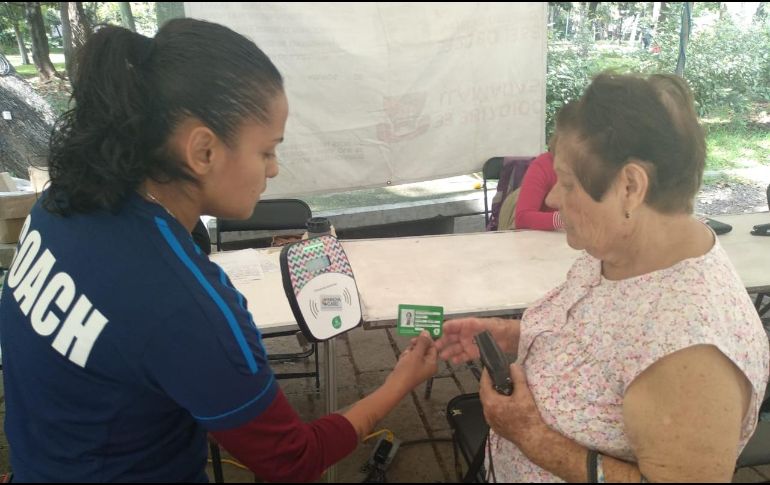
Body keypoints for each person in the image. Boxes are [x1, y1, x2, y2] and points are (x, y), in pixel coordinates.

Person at [0, 20, 437, 482]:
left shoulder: (62, 202)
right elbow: (292, 460)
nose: (274, 169)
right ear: (203, 151)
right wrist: (399, 382)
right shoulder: (185, 305)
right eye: (266, 151)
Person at [435, 73, 769, 482]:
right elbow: (596, 339)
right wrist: (511, 335)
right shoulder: (621, 250)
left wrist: (530, 435)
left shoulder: (692, 352)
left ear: (630, 187)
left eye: (567, 183)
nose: (553, 198)